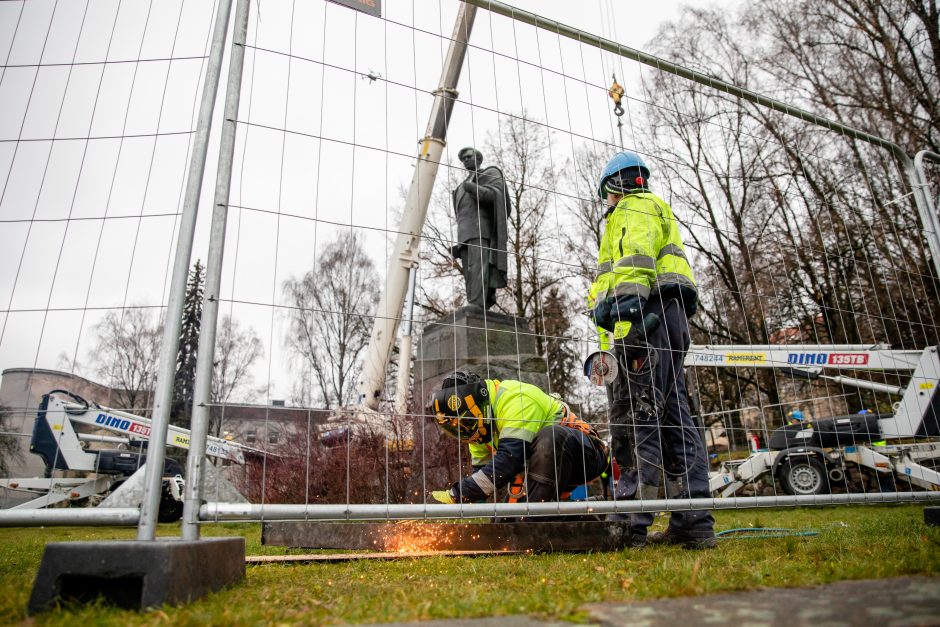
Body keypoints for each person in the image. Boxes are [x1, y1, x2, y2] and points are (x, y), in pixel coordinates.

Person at [588, 151, 716, 549]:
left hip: (644, 318)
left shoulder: (633, 207)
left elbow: (634, 259)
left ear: (613, 187)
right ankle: (693, 521)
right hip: (665, 316)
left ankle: (630, 521)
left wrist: (624, 310)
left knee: (636, 415)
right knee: (674, 416)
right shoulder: (654, 206)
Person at [428, 370, 608, 506]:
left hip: (587, 454)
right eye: (456, 428)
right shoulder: (478, 433)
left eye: (465, 421)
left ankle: (536, 523)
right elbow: (483, 479)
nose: (464, 430)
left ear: (480, 401)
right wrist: (463, 507)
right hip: (542, 467)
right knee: (504, 522)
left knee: (550, 436)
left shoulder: (515, 398)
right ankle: (582, 514)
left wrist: (456, 494)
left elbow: (509, 460)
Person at [451, 147, 511, 311]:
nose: (466, 161)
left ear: (478, 158)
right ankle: (475, 302)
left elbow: (497, 197)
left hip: (481, 230)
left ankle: (477, 304)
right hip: (464, 234)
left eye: (469, 157)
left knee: (479, 268)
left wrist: (473, 189)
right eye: (463, 159)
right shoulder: (458, 188)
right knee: (469, 274)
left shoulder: (489, 173)